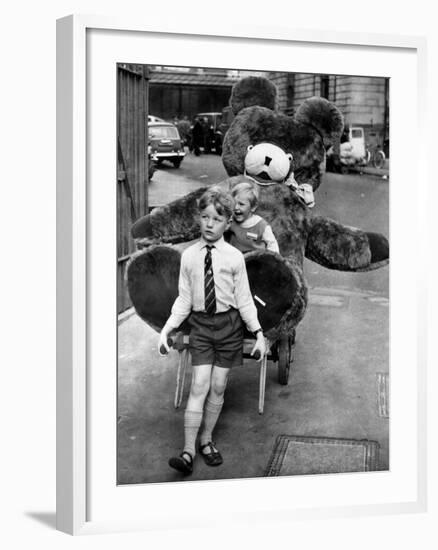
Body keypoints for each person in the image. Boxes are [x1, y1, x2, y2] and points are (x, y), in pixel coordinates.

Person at [158, 187, 266, 475]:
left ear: (228, 222)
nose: (209, 223)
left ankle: (207, 440)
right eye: (204, 217)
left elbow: (244, 298)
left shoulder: (234, 258)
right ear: (198, 218)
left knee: (218, 387)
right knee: (199, 385)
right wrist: (167, 329)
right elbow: (183, 298)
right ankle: (189, 450)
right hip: (202, 326)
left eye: (216, 219)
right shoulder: (189, 257)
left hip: (229, 326)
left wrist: (257, 333)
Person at [228, 181, 280, 254]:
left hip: (255, 261)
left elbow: (272, 244)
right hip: (235, 260)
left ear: (253, 207)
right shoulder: (231, 221)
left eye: (241, 204)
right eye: (234, 203)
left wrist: (274, 261)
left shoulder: (261, 226)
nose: (236, 207)